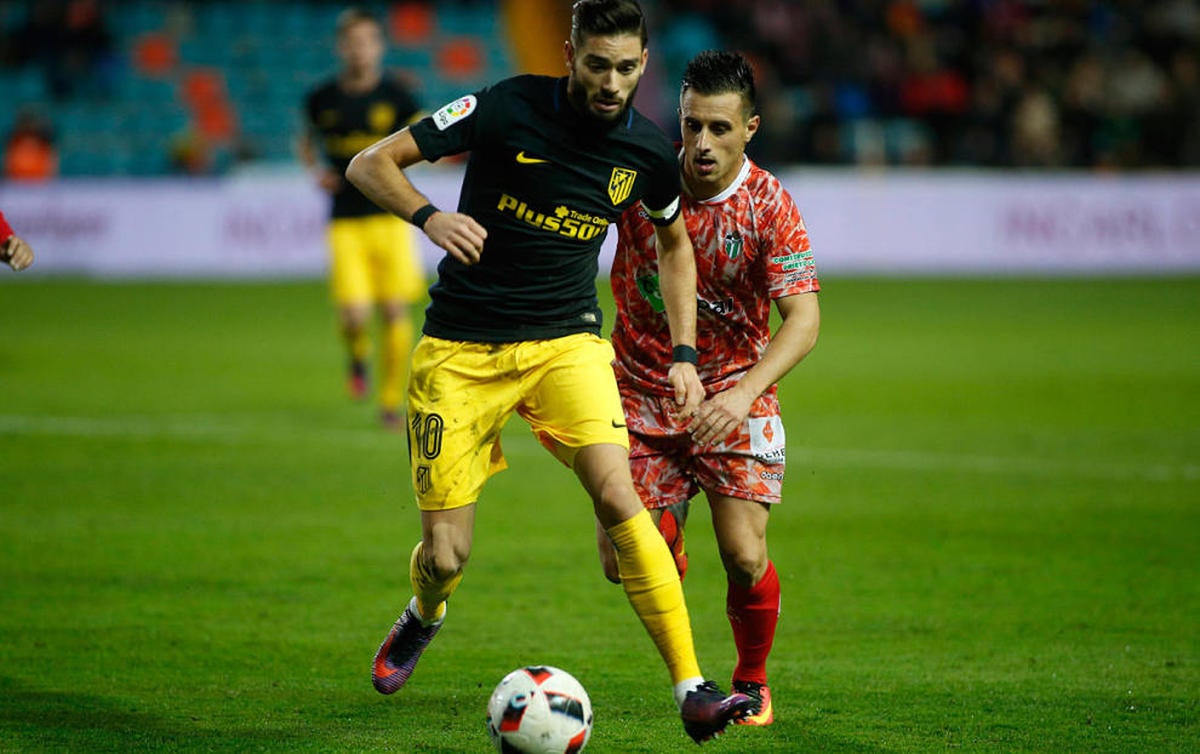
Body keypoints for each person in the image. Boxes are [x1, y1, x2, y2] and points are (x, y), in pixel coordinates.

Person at [344, 0, 753, 743]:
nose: (610, 81)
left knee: (617, 493)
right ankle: (424, 612)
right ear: (571, 53)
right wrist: (430, 216)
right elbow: (369, 164)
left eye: (626, 68)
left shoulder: (646, 151)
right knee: (446, 554)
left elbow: (675, 247)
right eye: (597, 64)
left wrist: (686, 353)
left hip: (566, 343)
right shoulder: (505, 106)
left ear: (643, 65)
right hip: (461, 352)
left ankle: (692, 687)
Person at [597, 50, 822, 728]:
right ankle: (666, 537)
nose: (700, 144)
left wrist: (742, 395)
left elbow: (804, 319)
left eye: (719, 129)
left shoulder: (770, 206)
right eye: (692, 125)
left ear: (750, 127)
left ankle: (750, 682)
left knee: (746, 556)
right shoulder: (640, 174)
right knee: (623, 563)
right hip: (639, 390)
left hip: (733, 394)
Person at [299, 7, 425, 429]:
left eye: (368, 41)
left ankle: (389, 402)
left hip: (390, 217)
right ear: (341, 47)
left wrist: (405, 171)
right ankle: (357, 354)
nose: (360, 50)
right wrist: (314, 171)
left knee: (393, 310)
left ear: (380, 46)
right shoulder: (322, 99)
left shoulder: (397, 97)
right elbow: (305, 139)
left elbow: (422, 138)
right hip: (346, 221)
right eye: (353, 42)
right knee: (354, 315)